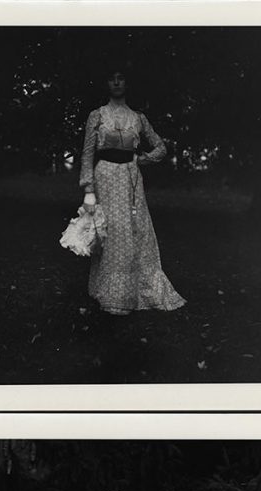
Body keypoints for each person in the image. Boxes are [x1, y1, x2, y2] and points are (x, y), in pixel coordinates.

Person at [79, 70, 185, 316]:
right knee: (110, 230)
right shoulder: (97, 115)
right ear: (106, 83)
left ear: (127, 83)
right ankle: (110, 293)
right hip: (104, 176)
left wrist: (144, 160)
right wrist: (88, 190)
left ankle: (135, 290)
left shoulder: (138, 118)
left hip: (130, 178)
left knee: (134, 229)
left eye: (121, 78)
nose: (116, 82)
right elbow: (87, 154)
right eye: (111, 78)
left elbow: (160, 146)